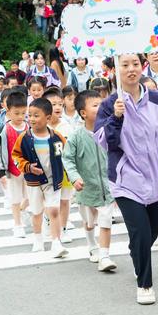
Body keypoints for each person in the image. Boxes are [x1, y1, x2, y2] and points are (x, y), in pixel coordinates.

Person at [94, 53, 158, 305]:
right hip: (126, 180)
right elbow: (105, 142)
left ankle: (137, 251)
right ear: (117, 69)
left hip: (156, 178)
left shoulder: (157, 100)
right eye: (124, 65)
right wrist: (115, 117)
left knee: (152, 228)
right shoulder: (109, 104)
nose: (131, 69)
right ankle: (144, 284)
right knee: (141, 231)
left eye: (135, 64)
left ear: (141, 66)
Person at [62, 90, 118, 272]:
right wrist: (75, 177)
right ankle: (91, 244)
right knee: (89, 222)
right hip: (86, 188)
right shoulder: (76, 136)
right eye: (96, 105)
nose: (101, 107)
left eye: (102, 104)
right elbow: (68, 159)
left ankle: (104, 256)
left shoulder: (109, 130)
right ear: (83, 112)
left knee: (106, 220)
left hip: (108, 188)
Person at [12, 98, 69, 258]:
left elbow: (67, 155)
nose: (31, 119)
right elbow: (16, 156)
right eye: (29, 115)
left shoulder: (56, 137)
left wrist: (71, 174)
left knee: (54, 210)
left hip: (53, 180)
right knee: (36, 211)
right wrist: (28, 167)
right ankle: (37, 238)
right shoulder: (24, 138)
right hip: (34, 182)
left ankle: (56, 242)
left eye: (36, 115)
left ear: (48, 118)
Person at [43, 87, 73, 243]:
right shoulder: (40, 126)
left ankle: (63, 228)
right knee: (50, 201)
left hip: (65, 170)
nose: (57, 107)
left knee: (64, 200)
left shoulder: (67, 126)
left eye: (60, 104)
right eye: (53, 104)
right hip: (46, 171)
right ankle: (49, 223)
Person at [0, 91, 29, 238]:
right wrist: (2, 171)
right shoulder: (5, 129)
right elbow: (2, 151)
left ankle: (22, 212)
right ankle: (17, 224)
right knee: (15, 198)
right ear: (8, 112)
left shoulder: (28, 127)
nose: (20, 117)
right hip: (12, 169)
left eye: (23, 113)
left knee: (30, 197)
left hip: (29, 168)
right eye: (16, 113)